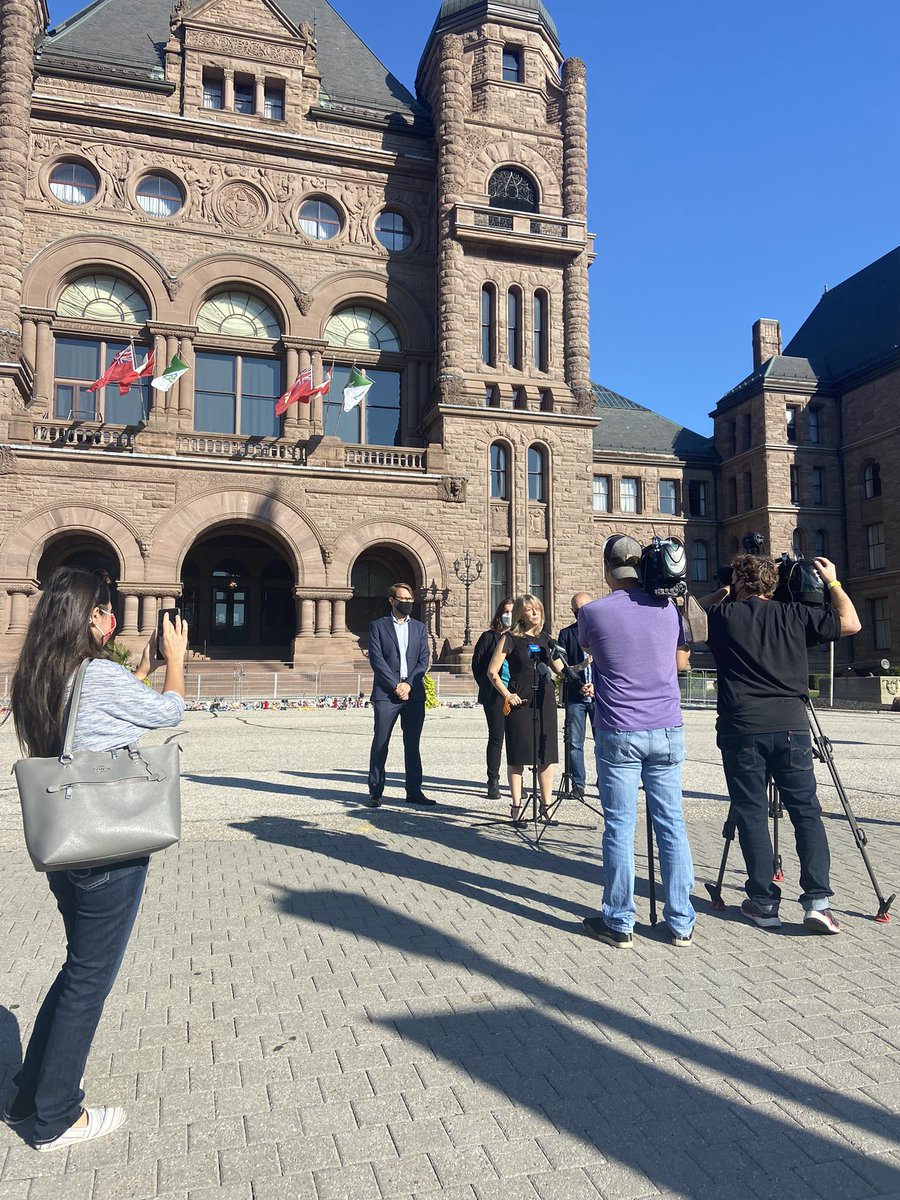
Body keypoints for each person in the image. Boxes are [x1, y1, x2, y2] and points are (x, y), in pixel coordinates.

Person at [5, 567, 188, 1150]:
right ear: (91, 617)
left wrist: (145, 669)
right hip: (108, 849)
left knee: (76, 967)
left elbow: (88, 717)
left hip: (66, 843)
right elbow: (169, 714)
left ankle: (27, 1093)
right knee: (89, 978)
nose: (114, 620)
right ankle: (56, 1117)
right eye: (107, 610)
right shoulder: (99, 674)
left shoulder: (40, 673)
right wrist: (176, 661)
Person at [702, 553, 861, 933]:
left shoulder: (723, 616)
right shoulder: (795, 615)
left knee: (752, 812)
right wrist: (833, 583)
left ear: (741, 582)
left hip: (742, 727)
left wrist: (724, 592)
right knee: (805, 811)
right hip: (791, 726)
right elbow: (851, 623)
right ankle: (818, 902)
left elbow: (682, 621)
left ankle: (763, 901)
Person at [577, 535, 695, 949]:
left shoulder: (592, 612)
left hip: (619, 728)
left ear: (607, 566)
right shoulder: (669, 611)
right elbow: (681, 663)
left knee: (620, 827)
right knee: (671, 825)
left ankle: (620, 920)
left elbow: (590, 651)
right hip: (666, 726)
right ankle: (681, 922)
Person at [486, 594, 564, 824]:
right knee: (518, 754)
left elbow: (560, 670)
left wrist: (583, 668)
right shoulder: (509, 638)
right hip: (520, 702)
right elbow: (492, 672)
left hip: (544, 700)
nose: (535, 613)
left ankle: (546, 806)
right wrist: (507, 695)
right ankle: (517, 806)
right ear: (521, 614)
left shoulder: (545, 639)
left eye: (537, 609)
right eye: (529, 610)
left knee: (546, 754)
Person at [366, 581, 432, 807]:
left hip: (413, 693)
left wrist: (409, 685)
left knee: (412, 744)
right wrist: (396, 685)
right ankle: (375, 791)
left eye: (410, 600)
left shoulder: (419, 628)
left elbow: (424, 660)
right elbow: (376, 660)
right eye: (403, 599)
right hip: (387, 692)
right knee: (381, 742)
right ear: (392, 600)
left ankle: (414, 790)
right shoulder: (378, 626)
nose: (407, 603)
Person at [471, 596, 513, 799]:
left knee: (517, 738)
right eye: (505, 611)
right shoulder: (489, 637)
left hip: (517, 694)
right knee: (497, 737)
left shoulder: (520, 639)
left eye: (513, 612)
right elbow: (477, 665)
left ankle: (516, 780)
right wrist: (488, 687)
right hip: (495, 695)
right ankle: (493, 779)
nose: (508, 615)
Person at [555, 592, 594, 800]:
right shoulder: (566, 634)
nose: (579, 615)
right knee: (574, 743)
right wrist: (579, 685)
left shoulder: (602, 630)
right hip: (576, 696)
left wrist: (596, 687)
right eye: (576, 611)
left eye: (583, 610)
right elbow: (562, 666)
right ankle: (578, 785)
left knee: (605, 741)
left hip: (600, 697)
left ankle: (606, 781)